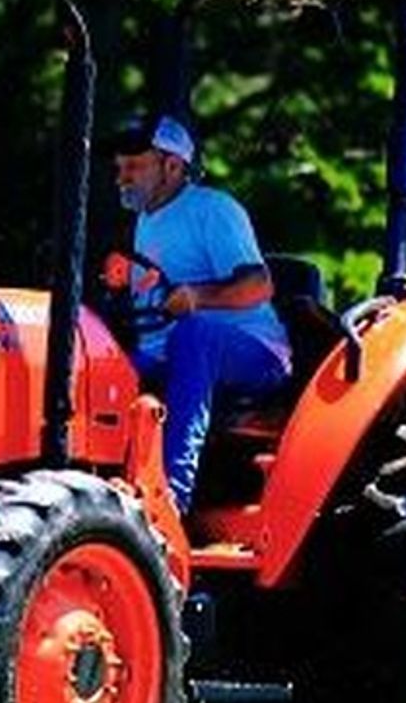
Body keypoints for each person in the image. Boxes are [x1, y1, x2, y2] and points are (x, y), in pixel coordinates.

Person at [113, 115, 292, 513]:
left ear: (173, 166)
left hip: (254, 354)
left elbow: (259, 285)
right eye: (120, 167)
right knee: (103, 365)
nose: (122, 177)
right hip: (164, 351)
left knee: (194, 335)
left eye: (135, 166)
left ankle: (172, 499)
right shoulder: (145, 219)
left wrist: (197, 296)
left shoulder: (213, 210)